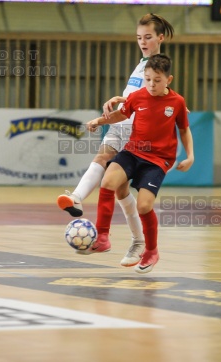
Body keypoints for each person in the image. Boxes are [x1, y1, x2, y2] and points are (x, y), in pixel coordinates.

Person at [57, 14, 175, 267]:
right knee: (119, 189)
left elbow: (161, 97)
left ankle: (79, 199)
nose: (143, 42)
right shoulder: (140, 64)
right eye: (139, 38)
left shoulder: (159, 68)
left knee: (105, 163)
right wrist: (119, 99)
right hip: (122, 122)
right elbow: (136, 96)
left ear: (160, 38)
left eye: (148, 37)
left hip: (134, 130)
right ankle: (136, 241)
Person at [84, 53, 194, 274]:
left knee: (144, 206)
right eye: (148, 79)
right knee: (107, 182)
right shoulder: (138, 96)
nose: (152, 85)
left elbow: (183, 129)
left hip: (158, 160)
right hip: (133, 151)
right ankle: (103, 236)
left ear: (168, 80)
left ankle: (151, 251)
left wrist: (190, 156)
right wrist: (99, 120)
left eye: (157, 80)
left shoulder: (177, 102)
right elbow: (120, 115)